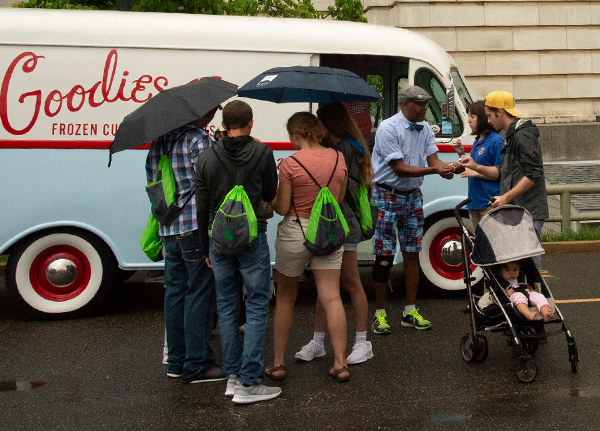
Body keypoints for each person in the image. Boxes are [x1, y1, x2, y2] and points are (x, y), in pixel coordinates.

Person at [195, 100, 280, 404]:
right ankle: (250, 381)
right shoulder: (263, 153)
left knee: (227, 306)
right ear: (251, 122)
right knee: (256, 304)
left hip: (219, 239)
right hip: (252, 236)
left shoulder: (206, 157)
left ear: (223, 124)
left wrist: (205, 246)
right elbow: (270, 193)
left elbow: (203, 207)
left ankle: (232, 376)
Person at [267, 111, 350, 382]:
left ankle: (278, 363)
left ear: (295, 134)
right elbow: (336, 200)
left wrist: (271, 201)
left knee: (286, 298)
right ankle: (340, 363)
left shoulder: (290, 164)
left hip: (295, 231)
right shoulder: (339, 159)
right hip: (327, 231)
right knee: (332, 297)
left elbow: (281, 208)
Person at [145, 107, 226, 384]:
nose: (213, 116)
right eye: (213, 111)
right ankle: (199, 363)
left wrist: (167, 215)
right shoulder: (198, 138)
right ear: (203, 113)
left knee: (175, 292)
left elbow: (152, 184)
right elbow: (209, 183)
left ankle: (176, 362)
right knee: (199, 293)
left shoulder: (160, 141)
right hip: (194, 225)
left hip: (168, 227)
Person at [370, 85, 456, 334]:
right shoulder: (388, 128)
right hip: (387, 195)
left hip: (412, 197)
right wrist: (435, 170)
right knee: (384, 256)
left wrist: (448, 169)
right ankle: (380, 313)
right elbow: (399, 168)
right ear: (406, 104)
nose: (425, 109)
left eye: (427, 104)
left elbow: (434, 160)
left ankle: (410, 310)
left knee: (412, 253)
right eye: (421, 104)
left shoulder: (426, 128)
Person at [293, 102, 373, 365]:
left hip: (342, 223)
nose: (318, 129)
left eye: (320, 123)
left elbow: (335, 189)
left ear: (330, 125)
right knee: (326, 287)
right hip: (342, 221)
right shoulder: (353, 145)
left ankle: (363, 342)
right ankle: (318, 342)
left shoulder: (343, 150)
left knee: (350, 284)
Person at [459, 91, 548, 271]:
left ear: (500, 111)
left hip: (528, 211)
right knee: (521, 267)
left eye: (490, 116)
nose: (489, 121)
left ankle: (537, 297)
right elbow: (502, 172)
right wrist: (476, 167)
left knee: (529, 267)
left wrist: (505, 198)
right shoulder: (513, 135)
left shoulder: (522, 136)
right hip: (520, 211)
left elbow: (533, 175)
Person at [452, 100, 504, 229]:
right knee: (480, 244)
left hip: (489, 203)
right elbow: (472, 166)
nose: (468, 120)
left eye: (472, 117)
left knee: (491, 245)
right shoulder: (478, 140)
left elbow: (501, 173)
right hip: (475, 202)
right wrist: (461, 153)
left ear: (482, 118)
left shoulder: (496, 141)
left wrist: (475, 173)